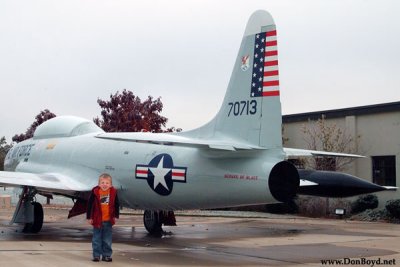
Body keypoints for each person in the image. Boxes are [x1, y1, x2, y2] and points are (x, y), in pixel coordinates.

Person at [87, 173, 120, 262]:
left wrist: (116, 216)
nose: (104, 185)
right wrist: (89, 217)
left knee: (107, 239)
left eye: (107, 183)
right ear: (99, 184)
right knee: (96, 239)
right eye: (102, 182)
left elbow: (116, 204)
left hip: (108, 220)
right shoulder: (95, 192)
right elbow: (90, 205)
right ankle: (96, 255)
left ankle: (106, 255)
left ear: (111, 185)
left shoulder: (113, 192)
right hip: (97, 220)